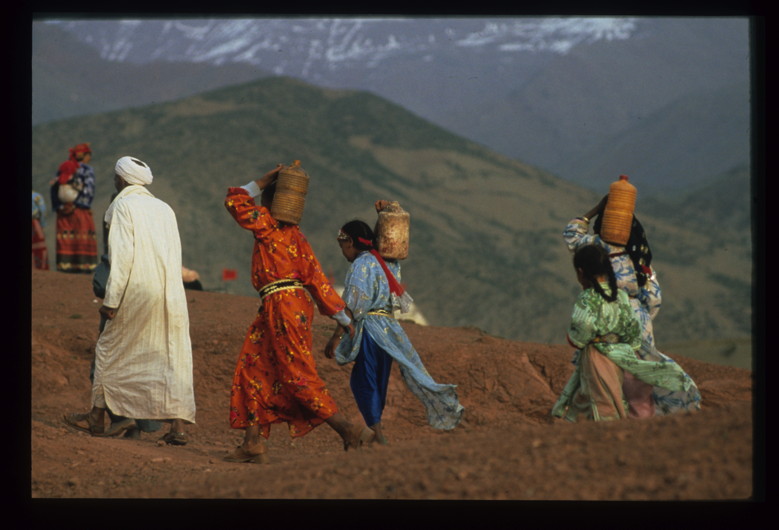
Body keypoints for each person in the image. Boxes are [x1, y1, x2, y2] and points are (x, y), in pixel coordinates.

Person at [222, 164, 374, 464]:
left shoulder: (266, 222)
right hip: (288, 306)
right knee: (253, 367)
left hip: (280, 305)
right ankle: (252, 443)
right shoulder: (297, 236)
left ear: (269, 200)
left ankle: (349, 431)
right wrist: (342, 318)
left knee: (297, 374)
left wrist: (265, 179)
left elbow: (234, 201)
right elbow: (316, 278)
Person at [64, 156, 196, 445]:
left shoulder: (122, 206)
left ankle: (97, 418)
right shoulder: (165, 208)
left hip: (136, 292)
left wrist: (111, 301)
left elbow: (121, 259)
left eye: (115, 178)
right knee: (172, 357)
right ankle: (178, 428)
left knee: (109, 349)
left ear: (121, 180)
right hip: (170, 295)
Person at [327, 208, 464, 444]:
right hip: (390, 328)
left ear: (349, 242)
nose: (343, 253)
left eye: (343, 246)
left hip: (370, 329)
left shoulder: (361, 265)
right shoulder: (388, 263)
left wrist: (336, 337)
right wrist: (383, 215)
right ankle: (376, 428)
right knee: (379, 378)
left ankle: (376, 433)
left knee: (365, 379)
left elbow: (353, 305)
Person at [563, 196, 701, 416]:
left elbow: (572, 236)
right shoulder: (639, 257)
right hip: (638, 317)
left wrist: (593, 211)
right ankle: (646, 417)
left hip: (604, 318)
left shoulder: (594, 246)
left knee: (603, 373)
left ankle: (604, 417)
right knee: (640, 372)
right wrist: (642, 315)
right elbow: (655, 297)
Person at [49, 143, 98, 273]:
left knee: (66, 239)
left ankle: (65, 266)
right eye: (89, 155)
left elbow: (54, 187)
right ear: (85, 156)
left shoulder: (63, 168)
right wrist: (78, 205)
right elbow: (88, 190)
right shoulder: (87, 170)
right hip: (80, 212)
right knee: (82, 237)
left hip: (63, 211)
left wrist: (61, 206)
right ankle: (83, 267)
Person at [32, 191, 49, 270]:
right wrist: (42, 224)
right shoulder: (36, 196)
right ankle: (41, 267)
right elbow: (42, 210)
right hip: (35, 223)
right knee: (39, 246)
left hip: (34, 223)